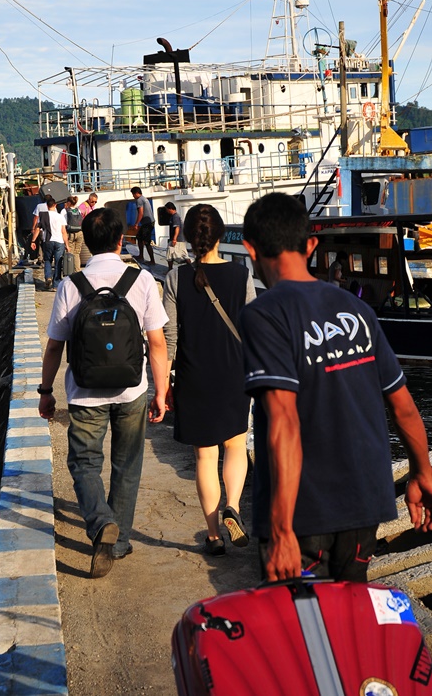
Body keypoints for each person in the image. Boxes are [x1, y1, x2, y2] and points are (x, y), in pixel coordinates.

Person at [239, 192, 432, 582]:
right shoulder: (357, 310)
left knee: (301, 619)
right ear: (311, 246)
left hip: (305, 513)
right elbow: (403, 407)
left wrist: (281, 528)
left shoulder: (264, 314)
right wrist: (421, 473)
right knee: (349, 613)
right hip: (365, 504)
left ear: (250, 249)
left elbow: (283, 421)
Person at [38, 207, 168, 578]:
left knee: (84, 463)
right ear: (120, 239)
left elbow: (55, 346)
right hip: (132, 390)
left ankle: (100, 523)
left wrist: (46, 391)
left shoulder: (71, 285)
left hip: (85, 392)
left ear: (87, 242)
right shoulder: (141, 280)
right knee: (127, 464)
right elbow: (157, 343)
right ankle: (119, 541)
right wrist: (161, 392)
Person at [160, 204, 256, 556]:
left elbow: (169, 340)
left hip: (194, 377)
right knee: (235, 446)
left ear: (187, 236)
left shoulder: (175, 279)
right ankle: (233, 505)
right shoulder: (241, 275)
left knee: (205, 457)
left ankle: (214, 536)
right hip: (234, 375)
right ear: (219, 236)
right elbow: (252, 329)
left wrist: (163, 386)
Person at [31, 196, 69, 289]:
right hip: (59, 242)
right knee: (58, 262)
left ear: (47, 206)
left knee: (47, 260)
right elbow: (63, 231)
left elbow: (37, 229)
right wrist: (67, 245)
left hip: (47, 241)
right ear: (55, 205)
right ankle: (56, 285)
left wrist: (33, 241)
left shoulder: (43, 216)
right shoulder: (60, 216)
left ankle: (48, 277)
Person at [131, 187, 155, 265]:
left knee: (147, 242)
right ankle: (141, 255)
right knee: (139, 237)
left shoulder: (139, 200)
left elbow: (140, 213)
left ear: (136, 193)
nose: (133, 196)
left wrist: (136, 223)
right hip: (149, 222)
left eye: (133, 194)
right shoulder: (144, 199)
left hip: (147, 223)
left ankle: (152, 260)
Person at [164, 202, 191, 271]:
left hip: (178, 239)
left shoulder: (175, 217)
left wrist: (174, 239)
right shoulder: (173, 217)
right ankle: (170, 269)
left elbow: (177, 227)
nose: (166, 211)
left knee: (182, 255)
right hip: (177, 239)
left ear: (170, 209)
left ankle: (191, 267)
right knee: (171, 254)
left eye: (166, 209)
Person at [60, 195, 84, 272]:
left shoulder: (64, 211)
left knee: (70, 252)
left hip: (70, 233)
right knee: (77, 253)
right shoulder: (78, 210)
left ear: (69, 203)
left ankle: (69, 271)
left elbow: (62, 224)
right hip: (80, 232)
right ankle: (77, 270)